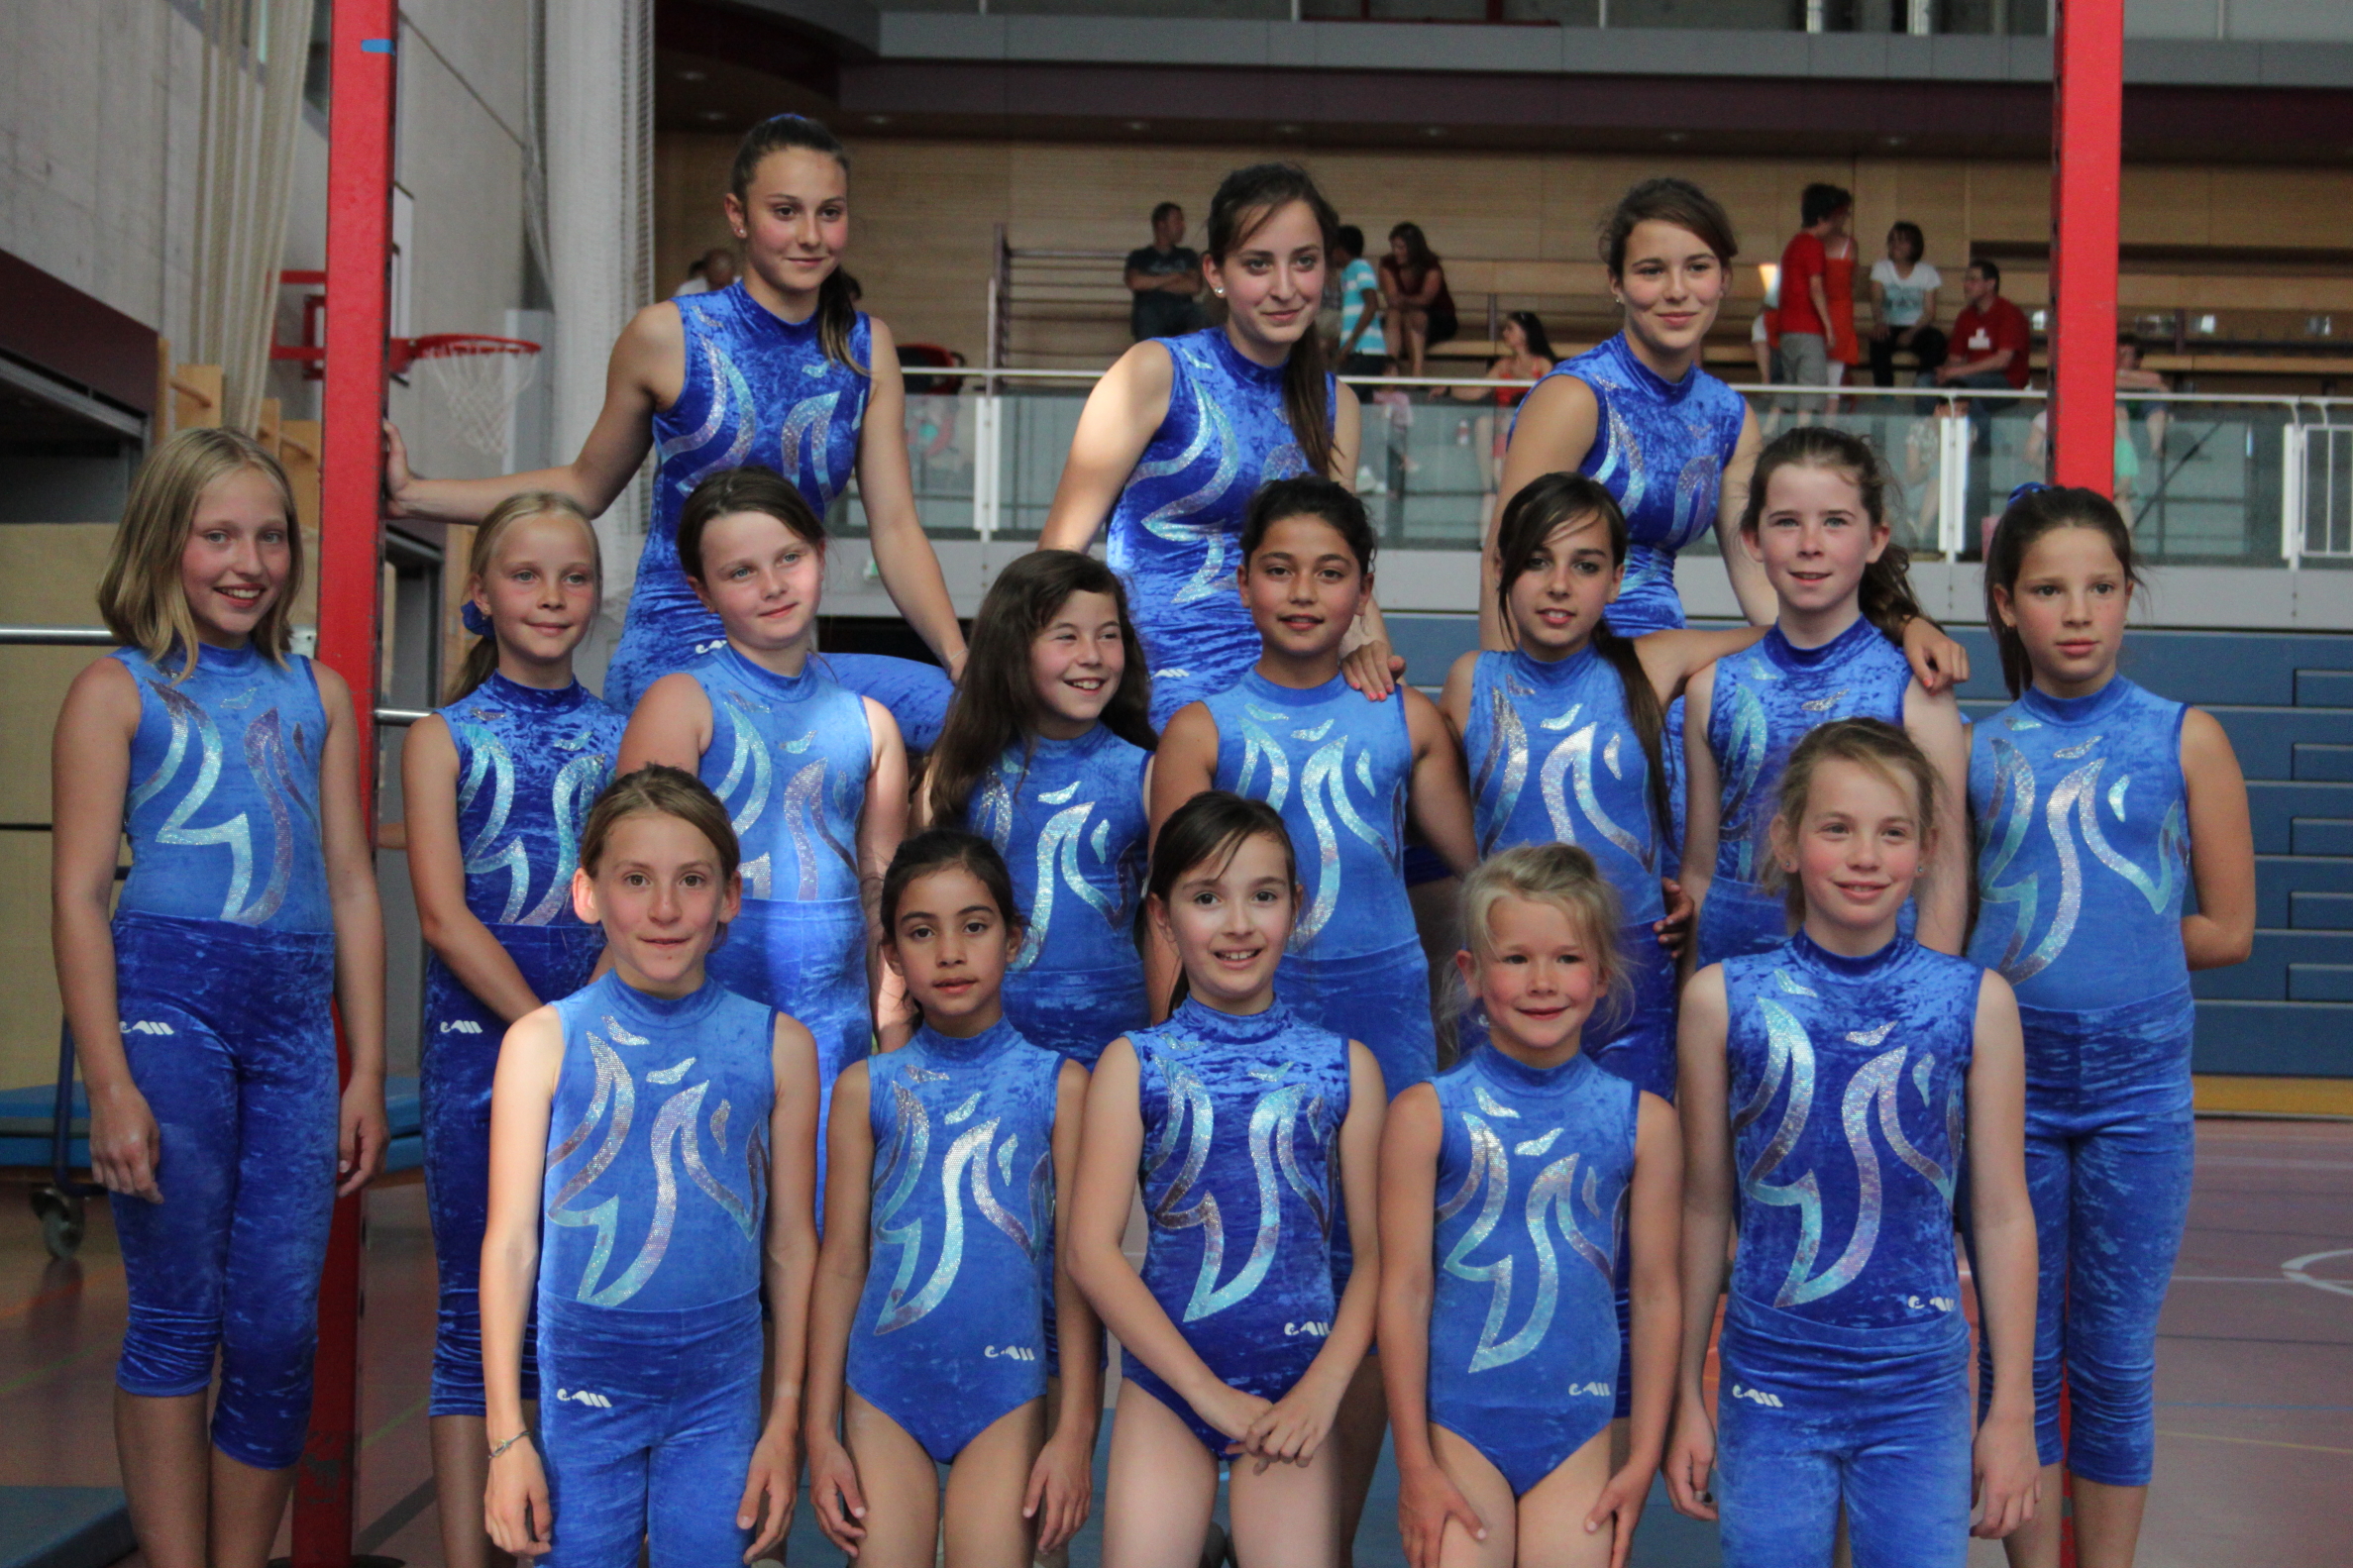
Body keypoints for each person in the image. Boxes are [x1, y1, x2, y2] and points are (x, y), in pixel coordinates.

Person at [50, 428, 389, 1568]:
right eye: (219, 536)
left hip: (294, 1025)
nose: (248, 562)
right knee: (178, 1310)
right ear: (166, 543)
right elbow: (78, 895)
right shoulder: (115, 691)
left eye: (271, 537)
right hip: (167, 1008)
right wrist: (110, 1083)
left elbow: (352, 882)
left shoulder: (318, 693)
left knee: (280, 1326)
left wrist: (363, 1067)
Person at [383, 113, 964, 747]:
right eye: (785, 211)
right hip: (675, 652)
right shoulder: (667, 334)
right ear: (738, 216)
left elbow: (896, 528)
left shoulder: (864, 348)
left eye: (830, 213)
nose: (810, 235)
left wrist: (960, 657)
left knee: (963, 711)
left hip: (780, 654)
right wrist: (413, 493)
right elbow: (584, 487)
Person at [1667, 718, 2043, 1568]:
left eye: (1892, 832)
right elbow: (1701, 1208)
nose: (1865, 856)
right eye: (1836, 828)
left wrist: (2010, 1409)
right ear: (1786, 841)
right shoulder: (1721, 1000)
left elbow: (1999, 1215)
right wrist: (1688, 1390)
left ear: (1927, 848)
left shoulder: (1974, 1002)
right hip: (1770, 1379)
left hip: (1919, 1386)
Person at [1969, 486, 2254, 1568]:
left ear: (2128, 595)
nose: (2077, 611)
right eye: (2048, 589)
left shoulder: (2184, 737)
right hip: (2012, 1089)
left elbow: (2227, 927)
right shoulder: (1977, 752)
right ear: (2006, 605)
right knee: (2018, 1356)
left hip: (2139, 1090)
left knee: (2115, 1358)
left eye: (2099, 587)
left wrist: (2115, 951)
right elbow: (1955, 928)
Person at [479, 766, 817, 1565]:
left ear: (729, 896)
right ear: (587, 893)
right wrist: (506, 1438)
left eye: (691, 880)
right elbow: (510, 1243)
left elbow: (791, 1245)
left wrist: (784, 1421)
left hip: (720, 1397)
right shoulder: (540, 1042)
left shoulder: (780, 1046)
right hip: (582, 1396)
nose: (664, 908)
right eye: (635, 879)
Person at [1067, 791, 1385, 1568]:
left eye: (1262, 896)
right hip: (1170, 1388)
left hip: (1294, 1387)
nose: (1238, 923)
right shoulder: (1134, 1063)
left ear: (1296, 906)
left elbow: (1379, 1257)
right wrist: (1205, 1393)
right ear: (1162, 915)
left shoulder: (1343, 1067)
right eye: (1207, 897)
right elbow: (1089, 1252)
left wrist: (1322, 1390)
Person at [400, 492, 625, 1568]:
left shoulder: (623, 737)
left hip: (599, 1037)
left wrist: (594, 1027)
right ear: (480, 595)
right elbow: (443, 915)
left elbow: (635, 902)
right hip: (478, 1044)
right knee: (471, 1309)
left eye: (574, 576)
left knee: (581, 1299)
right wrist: (545, 1031)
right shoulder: (440, 738)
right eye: (526, 575)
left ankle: (578, 1544)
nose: (551, 595)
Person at [1377, 844, 1682, 1568]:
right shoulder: (1425, 1114)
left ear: (1600, 974)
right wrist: (1414, 1463)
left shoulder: (1643, 1121)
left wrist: (1642, 1455)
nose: (1542, 982)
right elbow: (1404, 1289)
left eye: (1566, 959)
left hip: (1577, 1429)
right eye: (1514, 959)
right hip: (1458, 1428)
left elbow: (1655, 1292)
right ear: (1470, 972)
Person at [803, 830, 1099, 1568]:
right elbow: (841, 1263)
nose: (950, 952)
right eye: (921, 932)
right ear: (892, 955)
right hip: (884, 1385)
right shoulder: (865, 1088)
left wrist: (1074, 1434)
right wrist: (818, 1430)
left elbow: (1077, 1275)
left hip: (1007, 1387)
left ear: (1013, 938)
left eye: (974, 925)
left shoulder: (1060, 1087)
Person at [617, 466, 908, 1203]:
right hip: (699, 1019)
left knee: (821, 1234)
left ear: (820, 553)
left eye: (789, 558)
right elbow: (635, 883)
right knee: (707, 1219)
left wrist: (895, 1036)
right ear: (701, 590)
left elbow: (882, 896)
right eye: (740, 572)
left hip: (835, 1032)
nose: (773, 585)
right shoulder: (681, 702)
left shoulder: (870, 724)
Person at [1441, 472, 1765, 1101]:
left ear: (1616, 580)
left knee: (1629, 1140)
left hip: (1631, 969)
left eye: (1585, 565)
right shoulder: (1470, 680)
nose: (1559, 584)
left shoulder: (1649, 663)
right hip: (1508, 966)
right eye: (1537, 561)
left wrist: (1907, 624)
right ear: (1501, 569)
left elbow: (1802, 635)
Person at [1151, 477, 1475, 1098]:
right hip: (1245, 1003)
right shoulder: (1200, 733)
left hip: (1387, 1007)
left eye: (1330, 574)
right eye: (1279, 571)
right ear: (1244, 582)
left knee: (1389, 1161)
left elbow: (1482, 870)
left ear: (1364, 592)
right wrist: (1171, 1047)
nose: (1302, 593)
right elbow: (1169, 909)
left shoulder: (1407, 717)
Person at [1039, 162, 1383, 729]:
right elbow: (1057, 553)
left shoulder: (1335, 403)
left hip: (1290, 676)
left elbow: (1342, 561)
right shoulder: (1155, 371)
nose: (1285, 288)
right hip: (1158, 681)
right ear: (1215, 273)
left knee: (1405, 729)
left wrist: (1370, 652)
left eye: (1304, 261)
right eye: (1258, 264)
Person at [1681, 426, 1971, 970]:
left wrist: (1927, 997)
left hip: (1878, 979)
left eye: (1835, 522)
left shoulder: (1915, 690)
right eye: (1787, 522)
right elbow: (1698, 870)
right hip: (1732, 976)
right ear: (1752, 540)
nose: (1810, 544)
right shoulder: (1711, 689)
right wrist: (1689, 997)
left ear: (1876, 539)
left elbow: (1945, 873)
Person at [919, 550, 1155, 1066]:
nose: (1092, 655)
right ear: (1011, 649)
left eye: (1109, 634)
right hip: (982, 1043)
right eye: (1066, 636)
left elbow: (1171, 926)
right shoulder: (957, 773)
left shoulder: (1148, 773)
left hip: (1116, 1046)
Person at [1447, 311, 1554, 497]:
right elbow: (1477, 391)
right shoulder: (1503, 365)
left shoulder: (1542, 364)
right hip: (1502, 420)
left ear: (1525, 333)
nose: (1505, 333)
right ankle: (1487, 486)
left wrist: (1521, 376)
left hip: (1532, 420)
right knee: (1483, 424)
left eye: (1510, 329)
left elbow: (1549, 393)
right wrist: (1448, 389)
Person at [1774, 183, 1853, 405]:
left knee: (1789, 386)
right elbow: (1816, 288)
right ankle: (1805, 427)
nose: (1835, 224)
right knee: (1811, 389)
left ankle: (1771, 424)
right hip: (1807, 327)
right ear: (1820, 219)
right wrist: (1828, 327)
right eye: (1831, 219)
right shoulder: (1814, 246)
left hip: (1787, 327)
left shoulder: (1793, 244)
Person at [1937, 258, 2031, 402]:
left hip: (2005, 380)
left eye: (1973, 280)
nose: (1966, 285)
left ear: (1990, 284)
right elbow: (1955, 358)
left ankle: (1972, 418)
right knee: (1925, 382)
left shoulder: (2009, 314)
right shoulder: (1965, 316)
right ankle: (1936, 417)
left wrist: (1957, 372)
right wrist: (1945, 372)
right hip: (1969, 374)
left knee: (1961, 387)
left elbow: (2002, 361)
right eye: (1966, 280)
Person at [1867, 222, 1946, 388]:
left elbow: (1929, 312)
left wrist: (1911, 332)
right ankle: (1885, 393)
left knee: (1936, 340)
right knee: (1878, 342)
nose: (1896, 245)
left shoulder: (1927, 272)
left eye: (1902, 241)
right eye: (1893, 240)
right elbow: (1876, 300)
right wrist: (1879, 322)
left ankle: (1922, 387)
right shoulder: (1881, 268)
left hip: (1917, 328)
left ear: (1915, 245)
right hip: (1889, 326)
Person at [1381, 222, 1456, 378]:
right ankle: (1390, 372)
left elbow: (1425, 300)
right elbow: (1392, 299)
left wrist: (1404, 299)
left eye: (1401, 247)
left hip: (1439, 318)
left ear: (1413, 248)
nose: (1396, 252)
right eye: (1393, 247)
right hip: (1401, 315)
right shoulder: (1388, 264)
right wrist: (1409, 301)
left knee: (1415, 317)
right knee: (1392, 314)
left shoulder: (1431, 265)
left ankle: (1417, 375)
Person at [1126, 201, 1208, 343]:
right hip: (1151, 310)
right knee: (1145, 314)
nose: (1182, 226)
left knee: (1200, 311)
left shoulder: (1187, 255)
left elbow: (1194, 286)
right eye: (1177, 221)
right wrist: (1176, 276)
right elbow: (1136, 283)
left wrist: (1151, 284)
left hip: (1181, 310)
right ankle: (1151, 352)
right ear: (1161, 225)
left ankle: (1191, 352)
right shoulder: (1140, 256)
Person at [1333, 224, 1390, 378]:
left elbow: (1372, 305)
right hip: (1355, 351)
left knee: (1346, 392)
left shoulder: (1360, 267)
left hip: (1366, 350)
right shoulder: (1346, 273)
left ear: (1340, 248)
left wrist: (1350, 343)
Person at [675, 246, 739, 298]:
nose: (720, 290)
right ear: (705, 272)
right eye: (715, 285)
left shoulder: (744, 287)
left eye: (724, 285)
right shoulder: (687, 291)